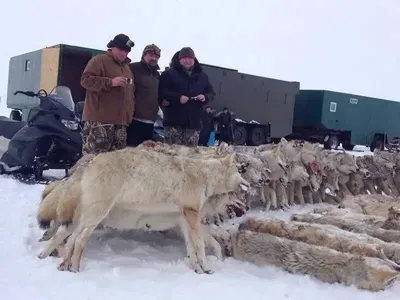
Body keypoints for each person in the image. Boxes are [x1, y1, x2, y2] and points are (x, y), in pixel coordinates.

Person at [80, 33, 135, 155]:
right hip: (101, 121)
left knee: (115, 164)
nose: (123, 53)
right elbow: (85, 80)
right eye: (120, 50)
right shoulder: (99, 60)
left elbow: (130, 94)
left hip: (120, 123)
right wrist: (110, 82)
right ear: (112, 47)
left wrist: (128, 115)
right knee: (93, 161)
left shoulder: (127, 68)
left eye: (126, 51)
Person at [158, 47, 215, 147]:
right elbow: (162, 92)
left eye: (190, 58)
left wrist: (204, 97)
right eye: (184, 58)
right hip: (173, 124)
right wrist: (177, 97)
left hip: (194, 125)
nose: (187, 61)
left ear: (194, 59)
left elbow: (211, 93)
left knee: (190, 158)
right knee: (171, 156)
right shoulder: (168, 74)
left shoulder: (202, 76)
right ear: (179, 59)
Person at [127, 44, 161, 146]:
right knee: (130, 153)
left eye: (156, 56)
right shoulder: (132, 68)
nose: (154, 58)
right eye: (151, 55)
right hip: (133, 121)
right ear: (143, 55)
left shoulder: (157, 75)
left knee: (145, 156)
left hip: (150, 122)